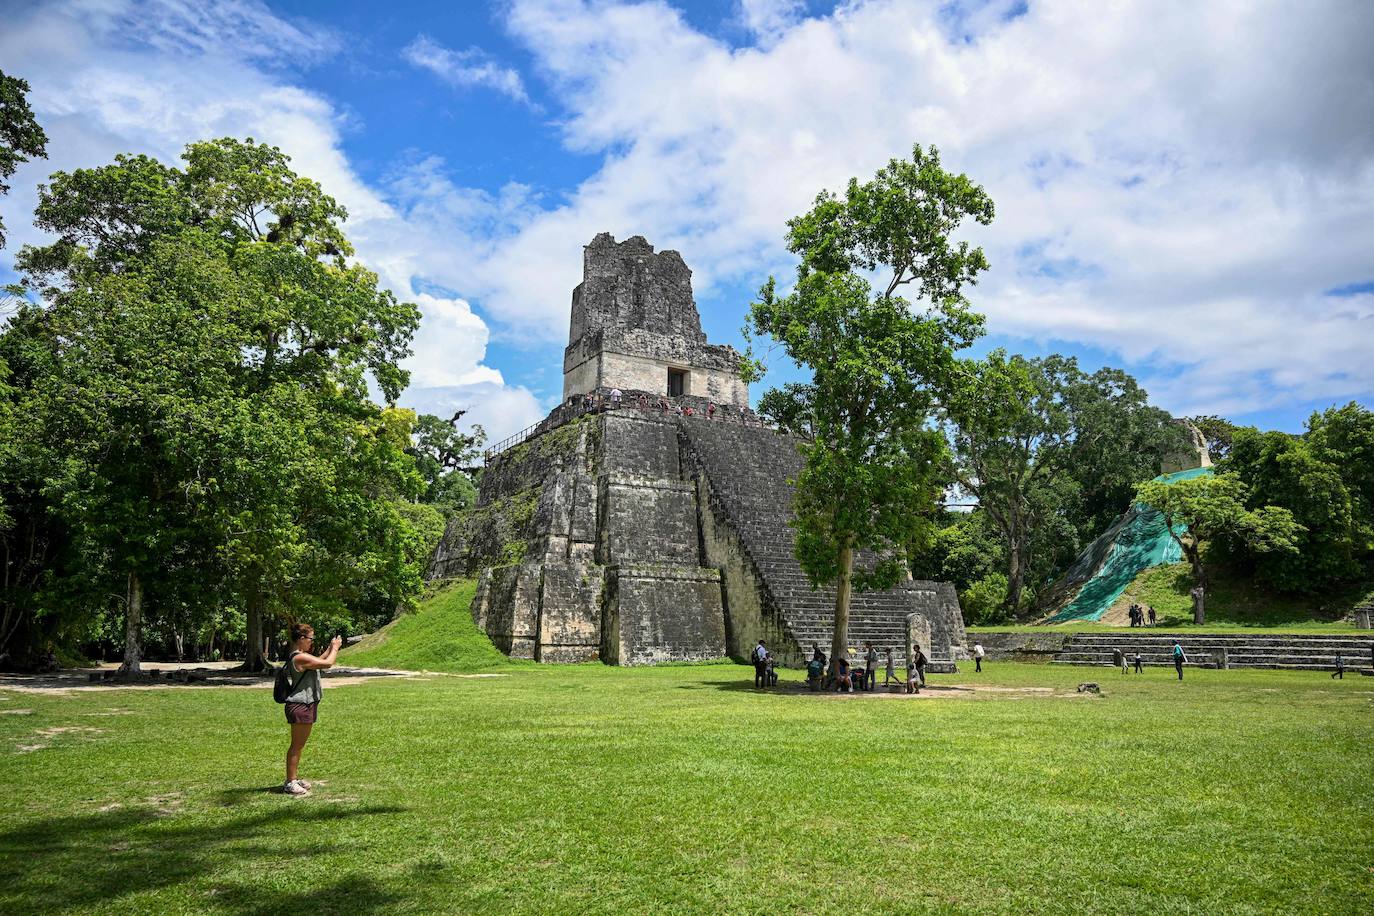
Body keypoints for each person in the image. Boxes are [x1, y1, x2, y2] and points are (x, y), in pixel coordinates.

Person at [281, 623, 341, 796]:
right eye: (310, 639)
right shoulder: (299, 658)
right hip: (300, 705)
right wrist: (335, 649)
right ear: (301, 638)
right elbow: (328, 664)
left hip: (305, 705)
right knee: (296, 745)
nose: (311, 642)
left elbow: (320, 661)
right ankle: (290, 782)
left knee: (299, 745)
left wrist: (330, 647)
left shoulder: (302, 656)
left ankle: (294, 778)